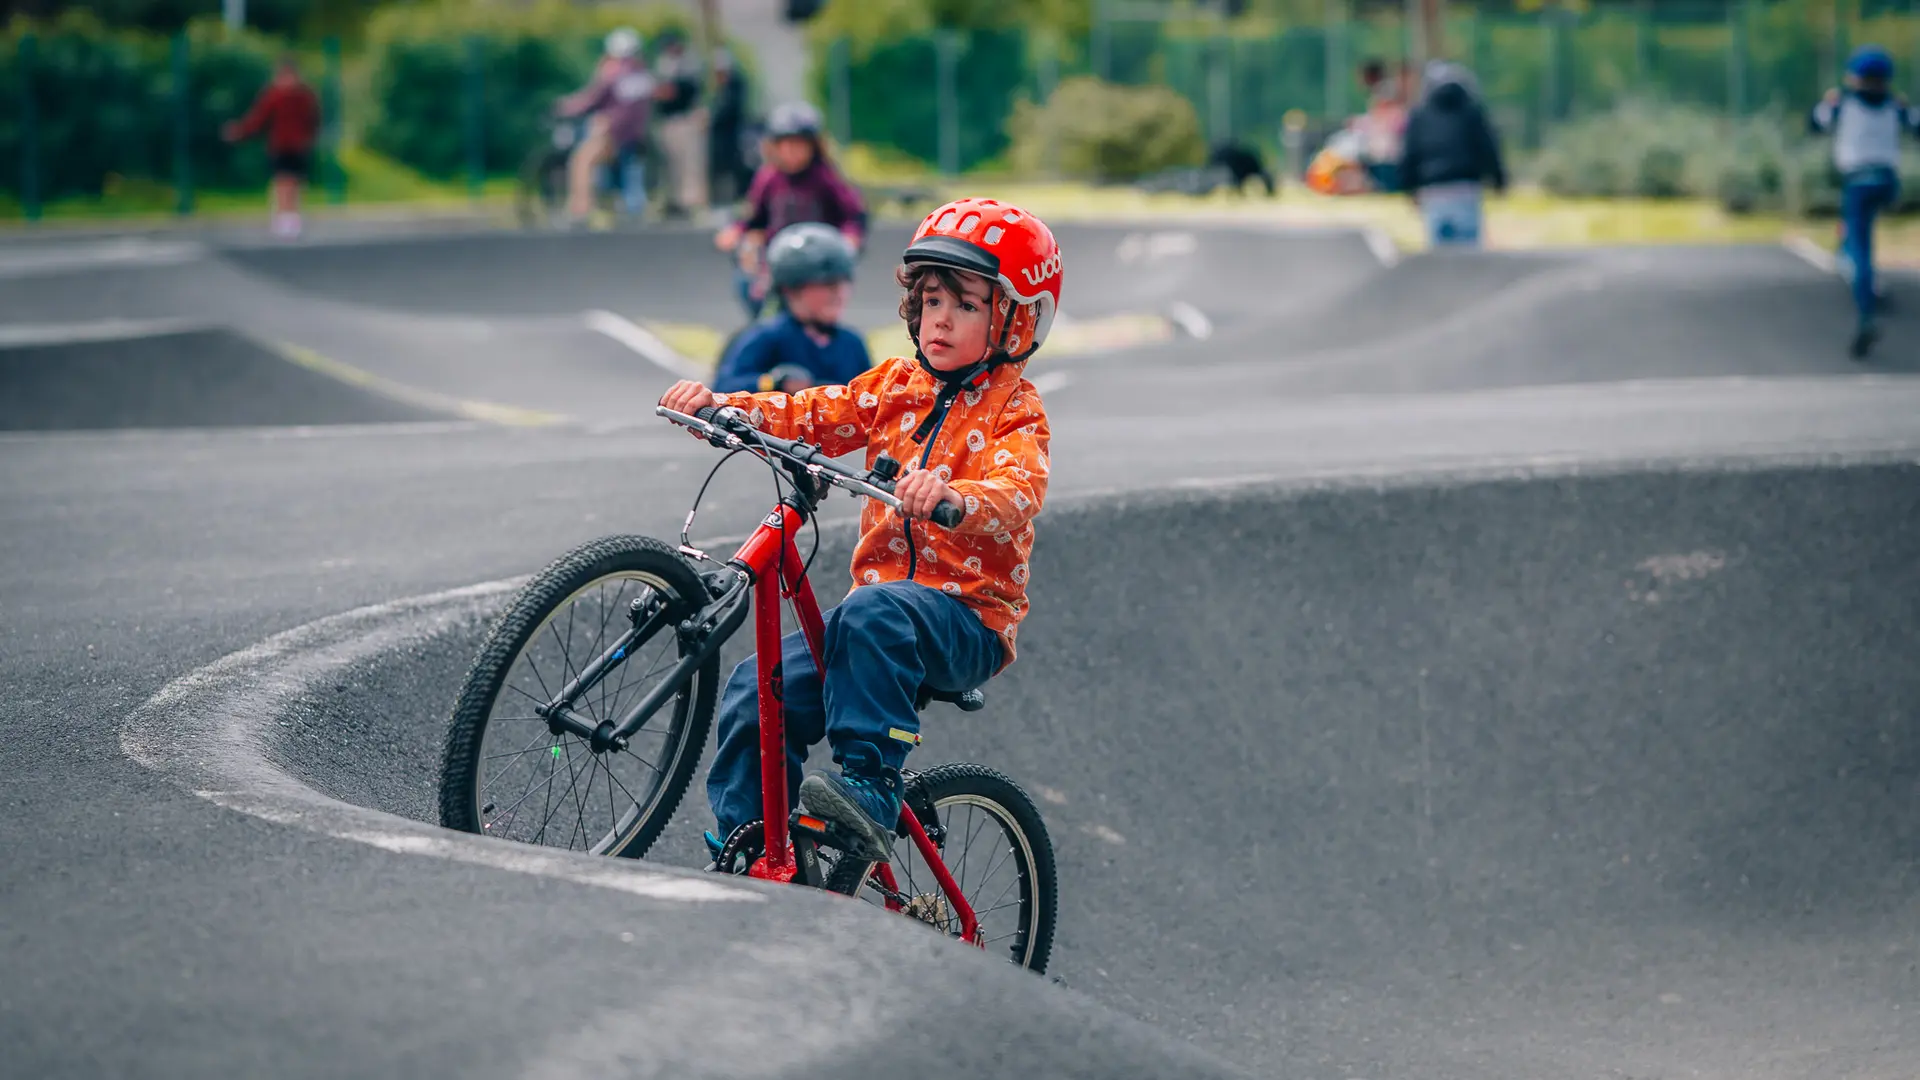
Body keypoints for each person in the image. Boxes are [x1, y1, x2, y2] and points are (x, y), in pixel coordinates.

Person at [658, 196, 1062, 863]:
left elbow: (1019, 491)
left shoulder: (1016, 411)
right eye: (932, 303)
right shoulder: (896, 386)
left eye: (967, 306)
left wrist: (956, 497)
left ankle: (871, 788)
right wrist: (725, 405)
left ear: (1017, 321)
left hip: (966, 620)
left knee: (873, 612)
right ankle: (755, 846)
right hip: (872, 620)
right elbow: (818, 412)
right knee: (758, 688)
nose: (942, 320)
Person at [714, 101, 868, 320]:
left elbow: (853, 215)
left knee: (810, 312)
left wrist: (849, 238)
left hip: (816, 262)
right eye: (785, 145)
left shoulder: (825, 177)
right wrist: (737, 231)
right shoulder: (769, 178)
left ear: (813, 147)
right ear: (774, 147)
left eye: (799, 145)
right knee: (749, 283)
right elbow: (754, 217)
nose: (791, 153)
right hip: (778, 258)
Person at [1810, 45, 1918, 359]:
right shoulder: (1895, 107)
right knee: (1861, 234)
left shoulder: (1843, 104)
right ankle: (1851, 258)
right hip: (1886, 181)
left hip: (1857, 181)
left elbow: (1815, 123)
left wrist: (1827, 102)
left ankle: (1865, 309)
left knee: (1861, 249)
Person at [712, 223, 871, 394]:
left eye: (843, 283)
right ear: (791, 290)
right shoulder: (765, 337)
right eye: (827, 284)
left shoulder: (851, 343)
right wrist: (772, 383)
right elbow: (723, 388)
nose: (838, 293)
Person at [1399, 60, 1507, 249]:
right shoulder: (1471, 113)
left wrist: (1409, 188)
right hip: (1466, 189)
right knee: (1468, 250)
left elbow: (1410, 154)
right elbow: (1487, 148)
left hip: (1433, 191)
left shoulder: (1420, 116)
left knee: (1438, 253)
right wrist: (1499, 180)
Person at [554, 27, 654, 225]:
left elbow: (591, 99)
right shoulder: (643, 75)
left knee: (581, 160)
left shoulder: (612, 73)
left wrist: (564, 107)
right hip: (635, 135)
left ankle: (581, 209)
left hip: (612, 134)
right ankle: (621, 204)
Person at [222, 54, 322, 239]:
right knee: (281, 181)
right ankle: (282, 218)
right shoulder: (274, 95)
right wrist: (241, 131)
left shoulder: (305, 96)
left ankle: (292, 218)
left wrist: (311, 138)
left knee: (295, 182)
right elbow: (258, 119)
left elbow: (314, 119)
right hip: (280, 145)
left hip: (298, 145)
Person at [652, 29, 710, 219]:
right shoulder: (663, 65)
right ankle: (675, 201)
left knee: (691, 163)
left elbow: (678, 91)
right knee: (672, 163)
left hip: (686, 118)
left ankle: (692, 202)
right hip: (669, 120)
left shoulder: (689, 64)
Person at [707, 47, 754, 206]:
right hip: (723, 138)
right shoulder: (722, 89)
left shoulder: (735, 87)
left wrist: (711, 118)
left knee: (735, 169)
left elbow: (728, 110)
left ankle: (736, 198)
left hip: (732, 136)